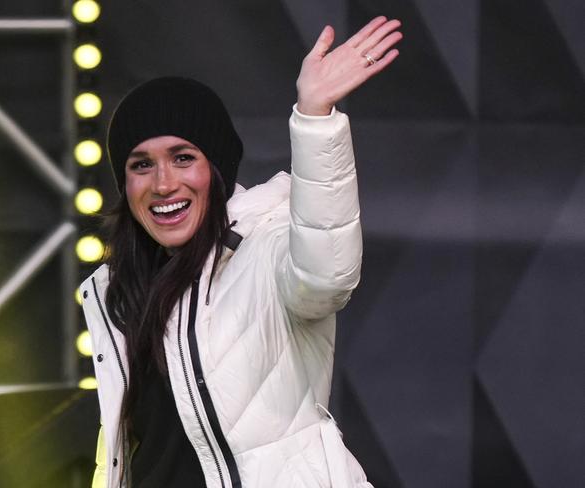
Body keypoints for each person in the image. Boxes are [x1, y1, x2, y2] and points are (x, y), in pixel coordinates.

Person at [80, 16, 402, 488]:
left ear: (217, 170)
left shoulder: (264, 250)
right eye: (141, 164)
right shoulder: (117, 294)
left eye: (183, 157)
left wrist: (315, 119)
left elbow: (326, 274)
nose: (164, 182)